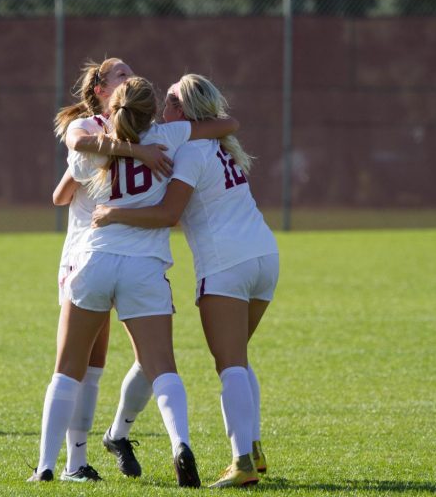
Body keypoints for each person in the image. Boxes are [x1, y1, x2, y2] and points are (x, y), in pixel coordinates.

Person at [29, 75, 239, 487]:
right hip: (144, 265)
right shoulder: (168, 135)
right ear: (152, 109)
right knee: (162, 367)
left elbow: (66, 185)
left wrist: (117, 141)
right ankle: (180, 443)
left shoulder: (97, 142)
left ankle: (47, 466)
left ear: (113, 108)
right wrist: (145, 147)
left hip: (95, 258)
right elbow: (225, 125)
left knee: (67, 370)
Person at [91, 74, 279, 488]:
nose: (164, 105)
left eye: (171, 98)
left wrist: (113, 213)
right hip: (265, 256)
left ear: (183, 109)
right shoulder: (216, 144)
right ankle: (255, 449)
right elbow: (228, 126)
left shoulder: (190, 150)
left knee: (229, 365)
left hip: (227, 264)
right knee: (240, 359)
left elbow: (167, 215)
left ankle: (242, 461)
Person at [36, 58, 172, 483]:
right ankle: (67, 463)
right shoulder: (92, 127)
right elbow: (68, 173)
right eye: (120, 75)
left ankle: (73, 463)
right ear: (99, 89)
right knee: (80, 364)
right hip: (87, 252)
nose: (129, 78)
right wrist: (137, 152)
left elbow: (61, 193)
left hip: (108, 253)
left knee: (93, 365)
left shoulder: (125, 128)